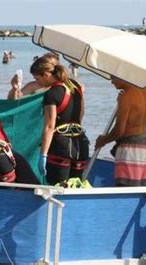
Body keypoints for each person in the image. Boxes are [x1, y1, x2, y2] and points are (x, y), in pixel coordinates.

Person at [30, 56, 89, 185]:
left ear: (46, 74)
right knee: (75, 188)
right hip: (81, 144)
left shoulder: (51, 94)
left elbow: (49, 126)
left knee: (57, 189)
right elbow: (81, 114)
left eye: (37, 78)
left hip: (61, 148)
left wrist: (43, 155)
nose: (38, 82)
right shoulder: (76, 86)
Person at [95, 77, 146, 186]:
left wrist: (103, 140)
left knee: (125, 188)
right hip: (144, 145)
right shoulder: (145, 92)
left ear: (123, 76)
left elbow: (119, 130)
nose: (111, 82)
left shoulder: (127, 96)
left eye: (113, 78)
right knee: (140, 189)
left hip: (130, 147)